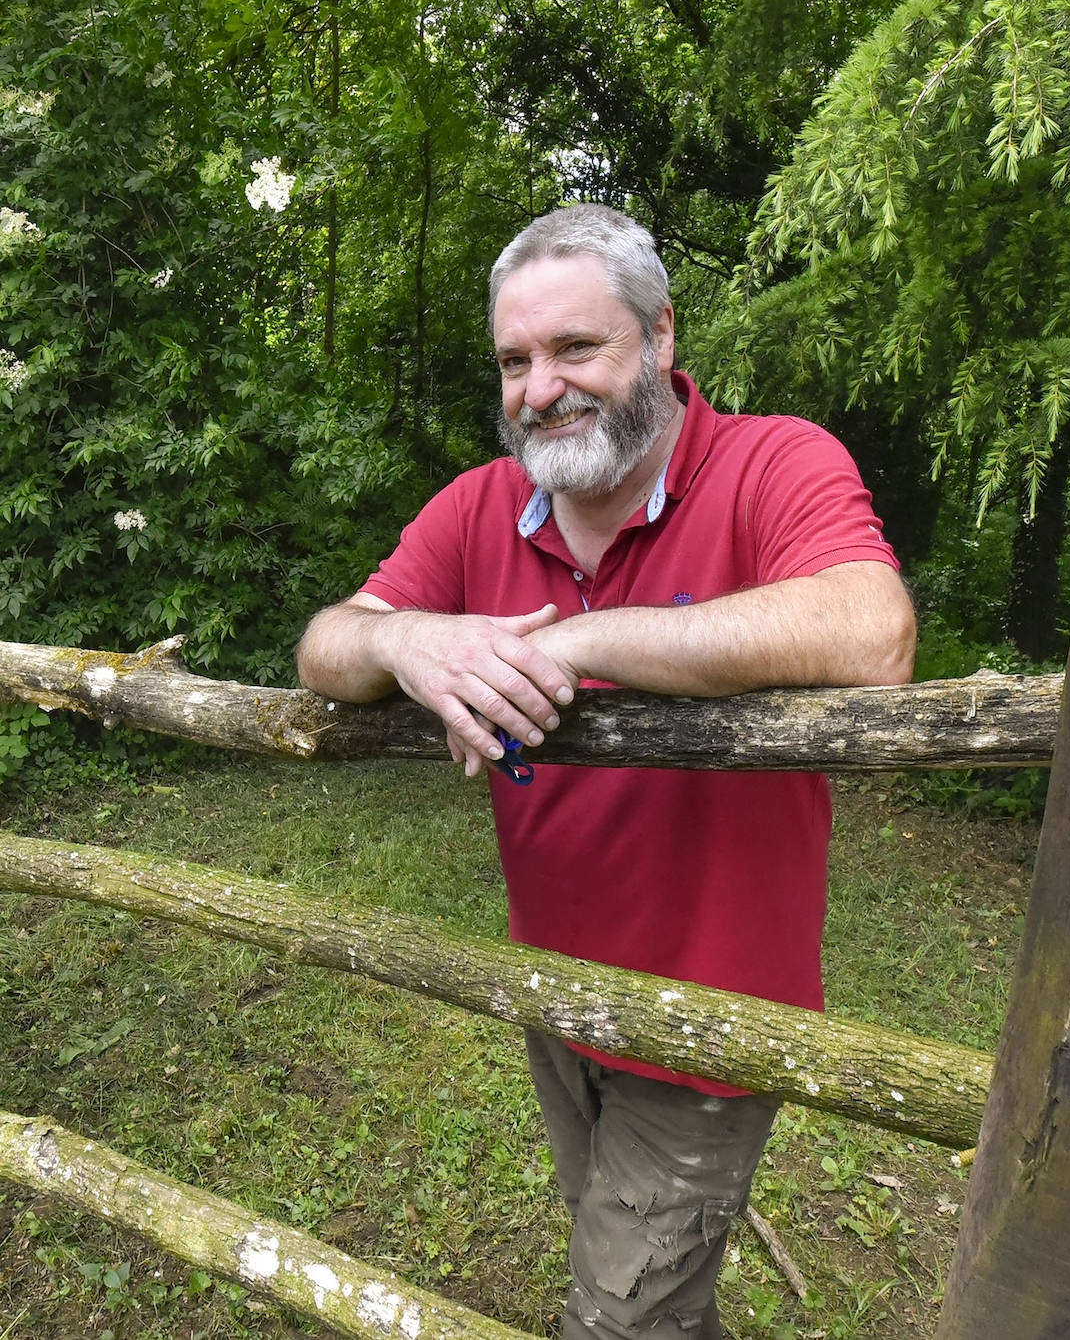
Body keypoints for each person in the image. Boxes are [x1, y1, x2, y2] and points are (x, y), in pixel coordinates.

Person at [296, 203, 915, 1338]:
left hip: (709, 1018)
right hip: (558, 994)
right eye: (515, 360)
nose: (541, 390)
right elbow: (328, 640)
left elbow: (871, 631)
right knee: (637, 1278)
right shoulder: (480, 505)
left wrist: (576, 641)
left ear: (662, 337)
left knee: (620, 1317)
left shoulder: (773, 458)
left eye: (576, 348)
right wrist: (405, 640)